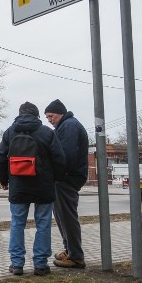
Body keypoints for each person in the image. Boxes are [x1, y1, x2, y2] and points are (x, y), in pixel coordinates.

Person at [0, 102, 66, 276]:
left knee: (17, 223)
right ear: (37, 116)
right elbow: (59, 158)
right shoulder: (47, 133)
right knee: (43, 224)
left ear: (19, 114)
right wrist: (55, 178)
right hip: (43, 186)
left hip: (18, 186)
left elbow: (0, 159)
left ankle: (17, 264)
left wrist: (3, 180)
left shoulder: (10, 133)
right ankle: (41, 265)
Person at [44, 99, 89, 269]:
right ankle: (69, 250)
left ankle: (76, 256)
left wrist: (57, 174)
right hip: (66, 177)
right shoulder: (66, 125)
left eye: (51, 116)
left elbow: (66, 155)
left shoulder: (69, 126)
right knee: (62, 216)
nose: (49, 119)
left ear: (60, 113)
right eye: (47, 117)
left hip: (67, 178)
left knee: (67, 217)